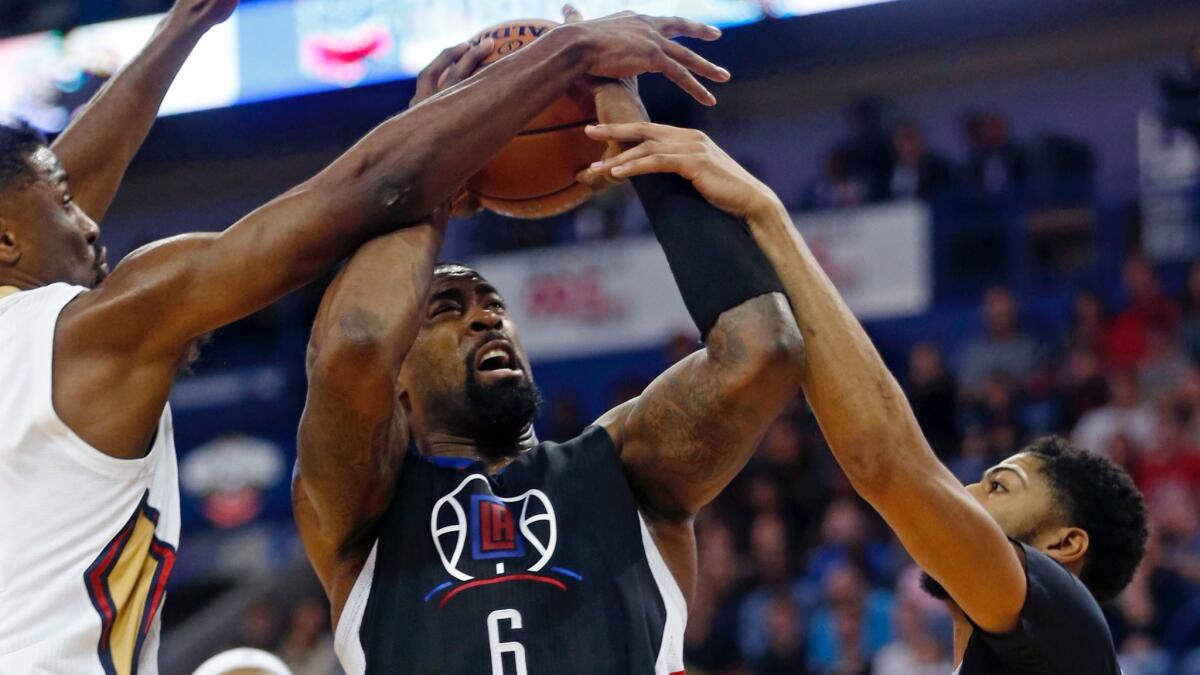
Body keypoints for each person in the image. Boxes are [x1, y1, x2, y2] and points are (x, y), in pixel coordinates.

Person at [0, 4, 727, 671]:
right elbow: (376, 185)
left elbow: (46, 185)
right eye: (65, 206)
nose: (90, 219)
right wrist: (570, 52)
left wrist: (183, 25)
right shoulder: (94, 331)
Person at [292, 10, 803, 672]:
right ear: (399, 375)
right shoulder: (362, 506)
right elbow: (354, 342)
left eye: (496, 306)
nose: (487, 319)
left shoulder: (623, 466)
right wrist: (429, 161)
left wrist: (627, 126)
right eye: (447, 308)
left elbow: (765, 350)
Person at [587, 120, 1150, 673]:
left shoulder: (1069, 628)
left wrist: (766, 215)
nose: (964, 488)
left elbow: (884, 462)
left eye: (999, 486)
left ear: (1063, 545)